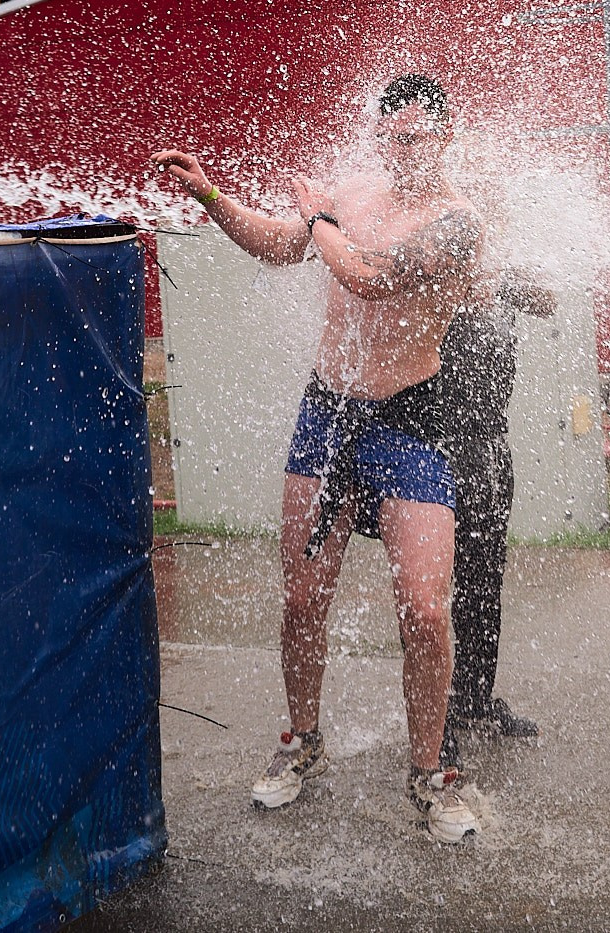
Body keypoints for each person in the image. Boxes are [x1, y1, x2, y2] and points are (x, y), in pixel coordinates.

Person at [150, 74, 484, 843]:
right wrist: (212, 196)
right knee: (302, 599)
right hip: (329, 412)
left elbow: (368, 276)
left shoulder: (458, 221)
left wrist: (320, 216)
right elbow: (281, 243)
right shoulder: (353, 194)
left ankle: (430, 774)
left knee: (426, 611)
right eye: (393, 136)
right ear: (380, 136)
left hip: (412, 419)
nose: (405, 149)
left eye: (419, 136)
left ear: (445, 138)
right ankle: (302, 740)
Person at [436, 263, 556, 768]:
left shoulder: (500, 283)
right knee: (432, 590)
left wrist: (499, 281)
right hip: (435, 450)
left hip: (490, 450)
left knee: (484, 586)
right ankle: (435, 717)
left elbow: (547, 300)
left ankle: (475, 701)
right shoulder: (430, 287)